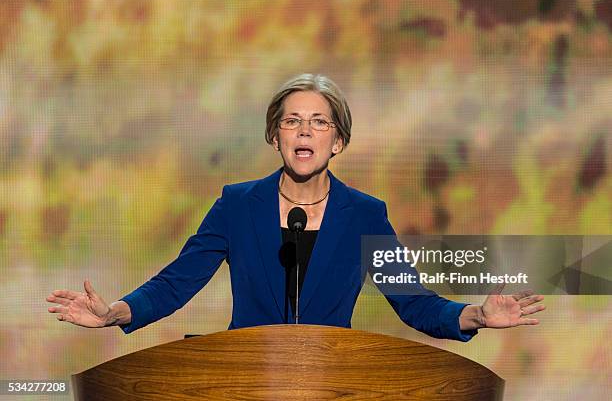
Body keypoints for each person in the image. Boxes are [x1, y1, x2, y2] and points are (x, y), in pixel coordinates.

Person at [47, 73, 545, 340]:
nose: (305, 130)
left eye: (319, 122)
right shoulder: (237, 205)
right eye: (291, 121)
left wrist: (476, 315)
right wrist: (115, 312)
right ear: (274, 135)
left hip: (333, 379)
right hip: (244, 377)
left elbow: (413, 303)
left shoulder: (366, 214)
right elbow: (177, 283)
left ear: (338, 142)